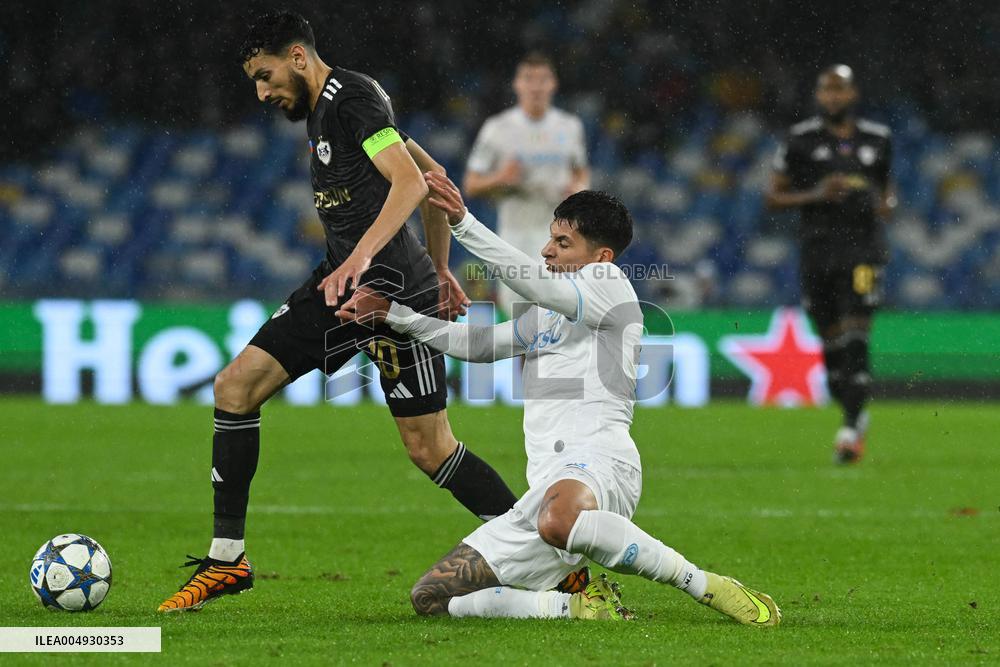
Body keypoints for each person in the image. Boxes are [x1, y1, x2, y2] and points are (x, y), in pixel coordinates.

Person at [157, 10, 518, 612]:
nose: (263, 92)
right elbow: (433, 175)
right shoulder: (328, 109)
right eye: (255, 81)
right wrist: (442, 264)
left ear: (298, 57)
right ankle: (227, 560)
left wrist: (402, 266)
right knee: (235, 387)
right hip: (342, 287)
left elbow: (409, 183)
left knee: (430, 449)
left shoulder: (351, 99)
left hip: (394, 291)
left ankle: (539, 546)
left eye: (266, 75)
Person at [337, 173, 781, 625]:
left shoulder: (608, 283)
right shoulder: (550, 312)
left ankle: (705, 585)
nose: (548, 250)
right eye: (550, 239)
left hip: (601, 463)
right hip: (545, 491)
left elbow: (535, 284)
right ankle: (573, 607)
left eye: (563, 243)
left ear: (599, 256)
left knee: (559, 520)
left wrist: (465, 224)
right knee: (432, 597)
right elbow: (481, 346)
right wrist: (396, 315)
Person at [766, 64, 895, 464]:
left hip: (863, 251)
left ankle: (849, 431)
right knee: (833, 351)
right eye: (826, 90)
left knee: (856, 338)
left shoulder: (879, 138)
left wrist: (885, 204)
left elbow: (887, 188)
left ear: (853, 94)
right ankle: (855, 412)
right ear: (819, 96)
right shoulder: (800, 139)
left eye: (840, 90)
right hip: (819, 251)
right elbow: (773, 197)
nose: (833, 97)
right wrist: (818, 194)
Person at [463, 52, 590, 316]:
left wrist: (579, 190)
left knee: (557, 313)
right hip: (515, 232)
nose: (536, 86)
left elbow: (580, 172)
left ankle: (555, 359)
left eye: (543, 79)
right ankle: (525, 359)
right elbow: (471, 184)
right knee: (520, 317)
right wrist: (501, 178)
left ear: (553, 84)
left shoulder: (570, 127)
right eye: (529, 79)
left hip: (558, 233)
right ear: (517, 84)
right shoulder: (497, 128)